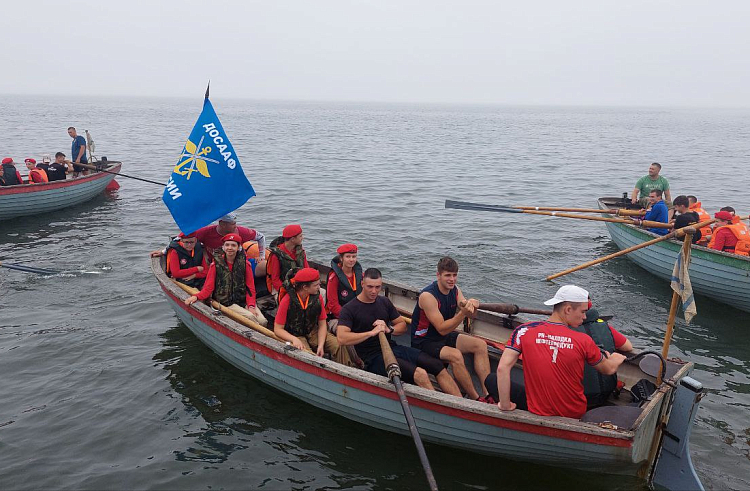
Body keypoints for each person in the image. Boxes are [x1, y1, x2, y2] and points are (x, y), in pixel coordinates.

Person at [496, 285, 626, 419]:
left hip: (538, 412)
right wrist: (616, 358)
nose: (584, 316)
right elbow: (608, 369)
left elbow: (502, 368)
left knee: (491, 380)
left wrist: (505, 405)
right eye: (582, 312)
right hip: (574, 415)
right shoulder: (583, 340)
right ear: (568, 309)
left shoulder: (523, 331)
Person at [338, 268, 462, 395]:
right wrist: (371, 333)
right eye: (370, 287)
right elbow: (342, 338)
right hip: (372, 358)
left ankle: (460, 406)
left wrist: (389, 329)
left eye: (377, 287)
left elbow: (402, 325)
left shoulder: (384, 302)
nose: (374, 291)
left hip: (393, 349)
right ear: (362, 284)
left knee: (437, 365)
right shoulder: (350, 309)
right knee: (421, 374)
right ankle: (441, 409)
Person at [411, 256, 494, 403]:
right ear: (438, 275)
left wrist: (472, 305)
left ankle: (488, 394)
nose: (452, 279)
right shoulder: (428, 296)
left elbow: (471, 315)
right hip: (424, 342)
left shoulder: (455, 290)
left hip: (443, 337)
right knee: (455, 355)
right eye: (447, 275)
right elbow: (442, 329)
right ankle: (476, 398)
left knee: (480, 345)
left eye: (454, 275)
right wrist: (463, 312)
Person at [185, 233, 267, 326]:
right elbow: (208, 288)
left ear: (238, 247)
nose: (230, 248)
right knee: (251, 318)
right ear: (223, 247)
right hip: (226, 302)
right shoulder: (215, 265)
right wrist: (196, 296)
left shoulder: (245, 264)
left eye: (233, 245)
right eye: (227, 245)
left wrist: (251, 306)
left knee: (262, 321)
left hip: (243, 300)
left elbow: (250, 288)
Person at [273, 267, 351, 365]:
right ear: (305, 287)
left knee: (338, 345)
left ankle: (344, 369)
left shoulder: (317, 298)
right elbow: (278, 329)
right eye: (316, 285)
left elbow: (322, 324)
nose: (319, 287)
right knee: (307, 354)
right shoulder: (287, 300)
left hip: (313, 332)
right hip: (295, 335)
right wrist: (294, 339)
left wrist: (321, 345)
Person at [570, 299, 632, 407]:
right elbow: (628, 346)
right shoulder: (604, 326)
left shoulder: (565, 331)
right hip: (606, 393)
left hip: (578, 397)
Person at [193, 213, 266, 264]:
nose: (235, 226)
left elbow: (261, 237)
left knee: (264, 266)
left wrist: (261, 256)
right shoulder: (206, 232)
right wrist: (204, 255)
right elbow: (190, 240)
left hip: (240, 263)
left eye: (235, 223)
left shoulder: (240, 231)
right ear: (222, 224)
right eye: (232, 224)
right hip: (216, 264)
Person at [267, 224, 309, 297]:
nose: (303, 238)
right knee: (290, 302)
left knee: (322, 293)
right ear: (293, 239)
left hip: (299, 285)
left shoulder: (300, 251)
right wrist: (288, 292)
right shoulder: (276, 255)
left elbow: (306, 270)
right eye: (300, 236)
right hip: (281, 287)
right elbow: (275, 280)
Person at [327, 243, 363, 320]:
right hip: (340, 316)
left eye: (354, 257)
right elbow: (333, 305)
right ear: (341, 258)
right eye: (348, 256)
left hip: (359, 312)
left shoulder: (361, 276)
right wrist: (349, 317)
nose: (351, 260)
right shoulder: (334, 278)